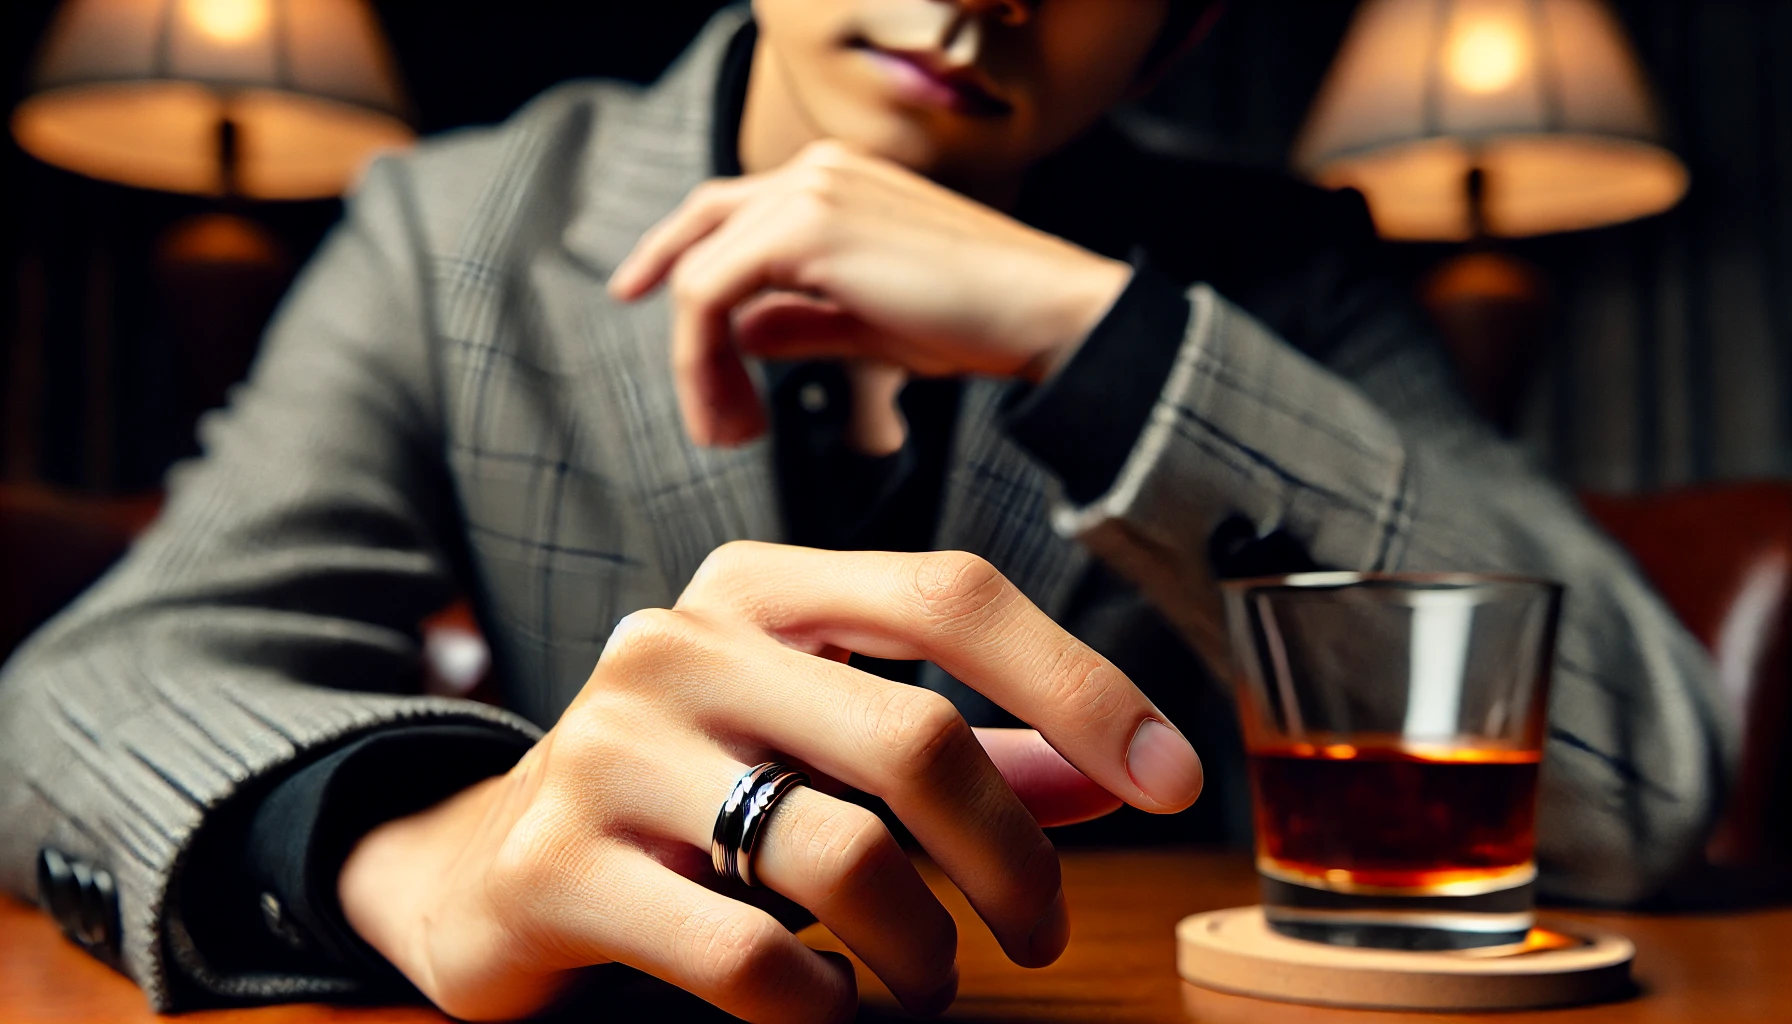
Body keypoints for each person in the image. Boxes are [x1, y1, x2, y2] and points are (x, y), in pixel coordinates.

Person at [0, 2, 1732, 1022]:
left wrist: (1106, 332)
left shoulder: (1279, 270)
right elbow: (77, 699)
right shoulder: (454, 227)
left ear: (1191, 20)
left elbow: (1634, 783)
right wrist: (419, 849)